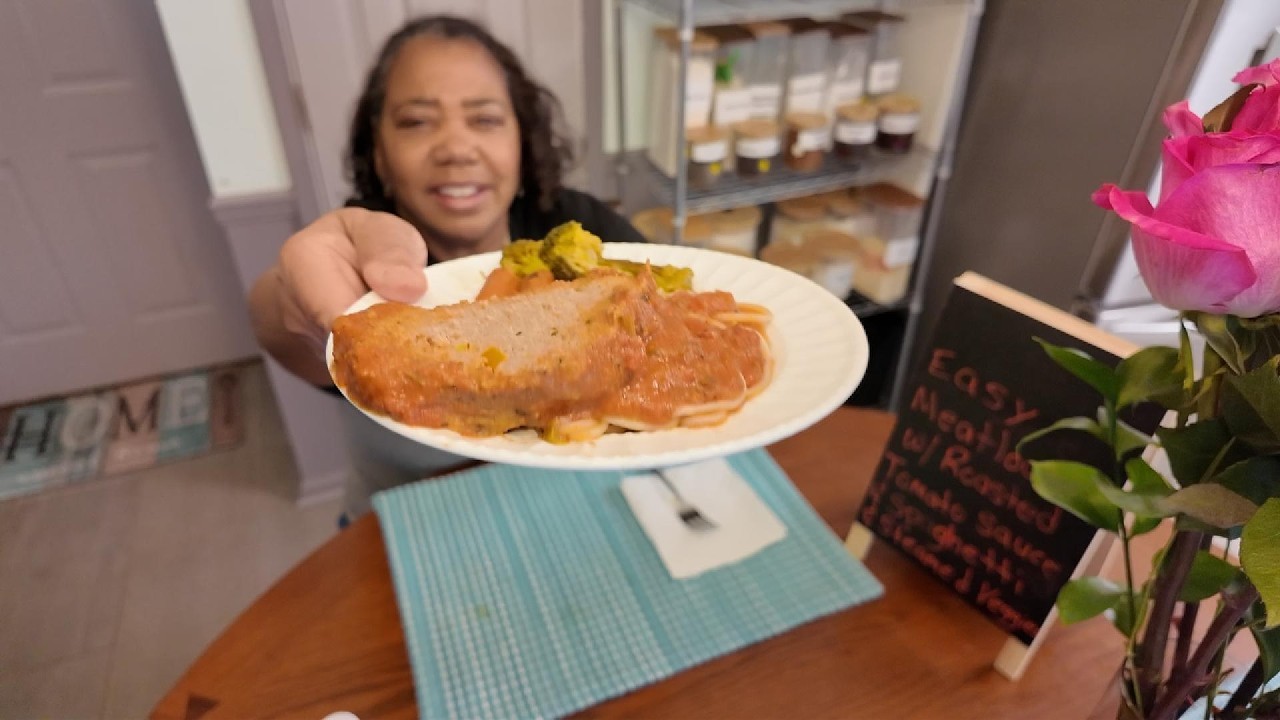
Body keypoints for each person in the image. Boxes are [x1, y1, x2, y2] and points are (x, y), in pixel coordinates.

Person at [248, 15, 645, 520]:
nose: (456, 149)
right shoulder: (360, 260)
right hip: (404, 527)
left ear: (523, 141)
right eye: (416, 121)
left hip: (580, 510)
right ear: (380, 152)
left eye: (485, 119)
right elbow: (281, 324)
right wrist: (290, 297)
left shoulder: (581, 226)